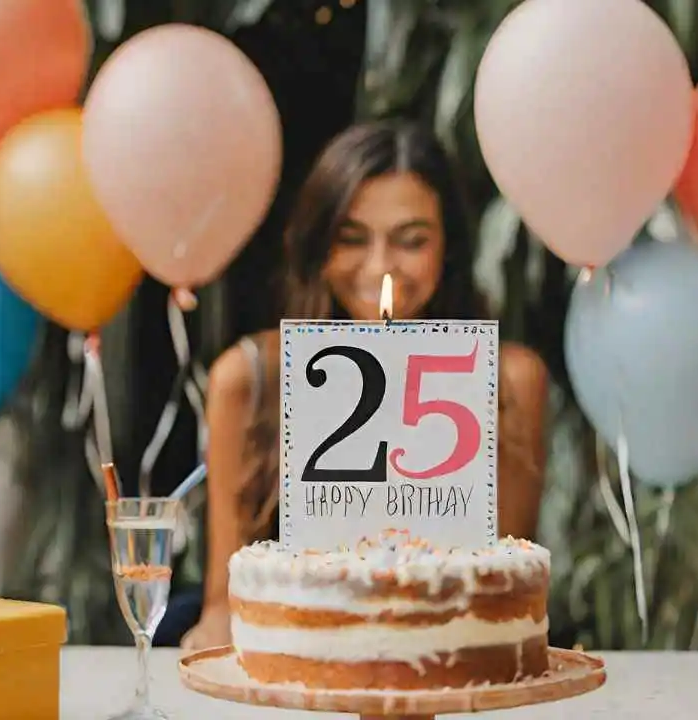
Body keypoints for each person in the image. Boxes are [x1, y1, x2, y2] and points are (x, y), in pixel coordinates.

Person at [181, 120, 549, 650]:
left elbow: (510, 606)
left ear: (449, 248)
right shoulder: (251, 380)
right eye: (352, 239)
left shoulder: (508, 381)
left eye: (411, 240)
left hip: (447, 669)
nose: (381, 268)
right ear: (317, 246)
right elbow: (224, 606)